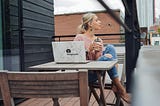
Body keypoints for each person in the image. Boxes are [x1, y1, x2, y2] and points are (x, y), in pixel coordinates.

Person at [74, 12, 131, 104]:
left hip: (97, 72)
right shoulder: (79, 38)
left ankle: (115, 84)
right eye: (97, 20)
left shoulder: (98, 40)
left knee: (111, 47)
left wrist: (98, 52)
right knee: (107, 58)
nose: (100, 22)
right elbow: (75, 59)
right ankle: (120, 87)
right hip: (87, 73)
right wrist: (88, 50)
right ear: (90, 23)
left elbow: (97, 61)